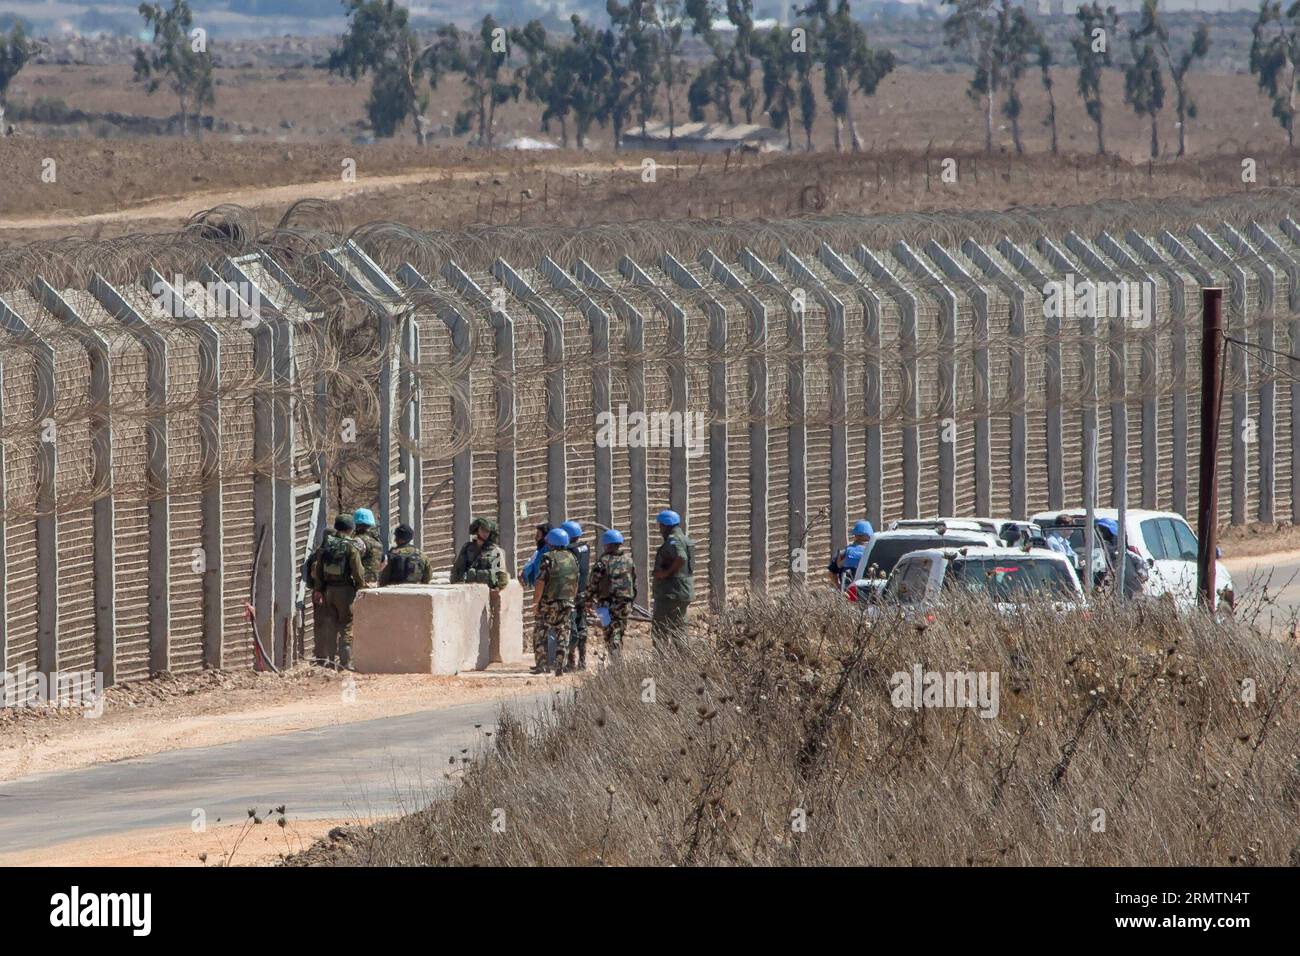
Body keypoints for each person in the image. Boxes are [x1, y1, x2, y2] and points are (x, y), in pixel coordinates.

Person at [310, 513, 368, 670]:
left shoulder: (327, 544)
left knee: (331, 624)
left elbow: (319, 569)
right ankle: (345, 662)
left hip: (328, 590)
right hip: (345, 591)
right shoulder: (350, 546)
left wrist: (318, 589)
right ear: (351, 529)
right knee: (346, 625)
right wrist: (360, 587)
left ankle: (330, 661)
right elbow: (358, 571)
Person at [531, 527, 578, 676]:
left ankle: (542, 665)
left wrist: (536, 602)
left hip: (549, 603)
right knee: (563, 633)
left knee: (540, 632)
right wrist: (571, 599)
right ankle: (560, 667)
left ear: (550, 542)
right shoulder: (572, 558)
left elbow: (540, 581)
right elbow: (575, 582)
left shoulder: (548, 557)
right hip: (567, 602)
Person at [585, 528, 637, 658]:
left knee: (609, 633)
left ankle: (615, 661)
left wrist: (587, 600)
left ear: (607, 545)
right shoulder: (628, 560)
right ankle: (617, 659)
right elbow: (634, 582)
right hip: (625, 604)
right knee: (619, 630)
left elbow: (593, 583)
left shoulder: (603, 562)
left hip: (607, 604)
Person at [651, 509, 694, 648]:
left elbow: (681, 557)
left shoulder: (673, 540)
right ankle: (682, 658)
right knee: (679, 629)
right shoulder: (685, 539)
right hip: (683, 591)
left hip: (671, 593)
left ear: (665, 525)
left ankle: (661, 659)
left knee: (660, 630)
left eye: (660, 525)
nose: (659, 529)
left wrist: (665, 573)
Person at [561, 519, 591, 670]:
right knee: (582, 626)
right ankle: (582, 661)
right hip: (583, 592)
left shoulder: (570, 551)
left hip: (572, 593)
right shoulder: (585, 547)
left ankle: (571, 661)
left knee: (570, 626)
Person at [450, 516, 509, 589]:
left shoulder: (495, 551)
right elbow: (457, 569)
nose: (484, 533)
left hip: (487, 590)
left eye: (487, 531)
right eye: (482, 529)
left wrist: (497, 589)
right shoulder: (467, 548)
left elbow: (502, 577)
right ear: (477, 530)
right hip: (468, 588)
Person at [827, 519, 874, 586]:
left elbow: (831, 573)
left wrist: (838, 586)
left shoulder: (845, 552)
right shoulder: (873, 551)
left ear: (855, 535)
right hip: (868, 589)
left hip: (847, 589)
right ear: (869, 535)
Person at [353, 508, 383, 585]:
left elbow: (353, 561)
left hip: (361, 583)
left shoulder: (358, 540)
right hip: (374, 583)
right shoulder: (377, 541)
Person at [520, 523, 553, 587]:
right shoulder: (540, 551)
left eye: (538, 536)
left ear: (545, 537)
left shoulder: (546, 553)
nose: (535, 538)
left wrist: (524, 573)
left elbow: (539, 573)